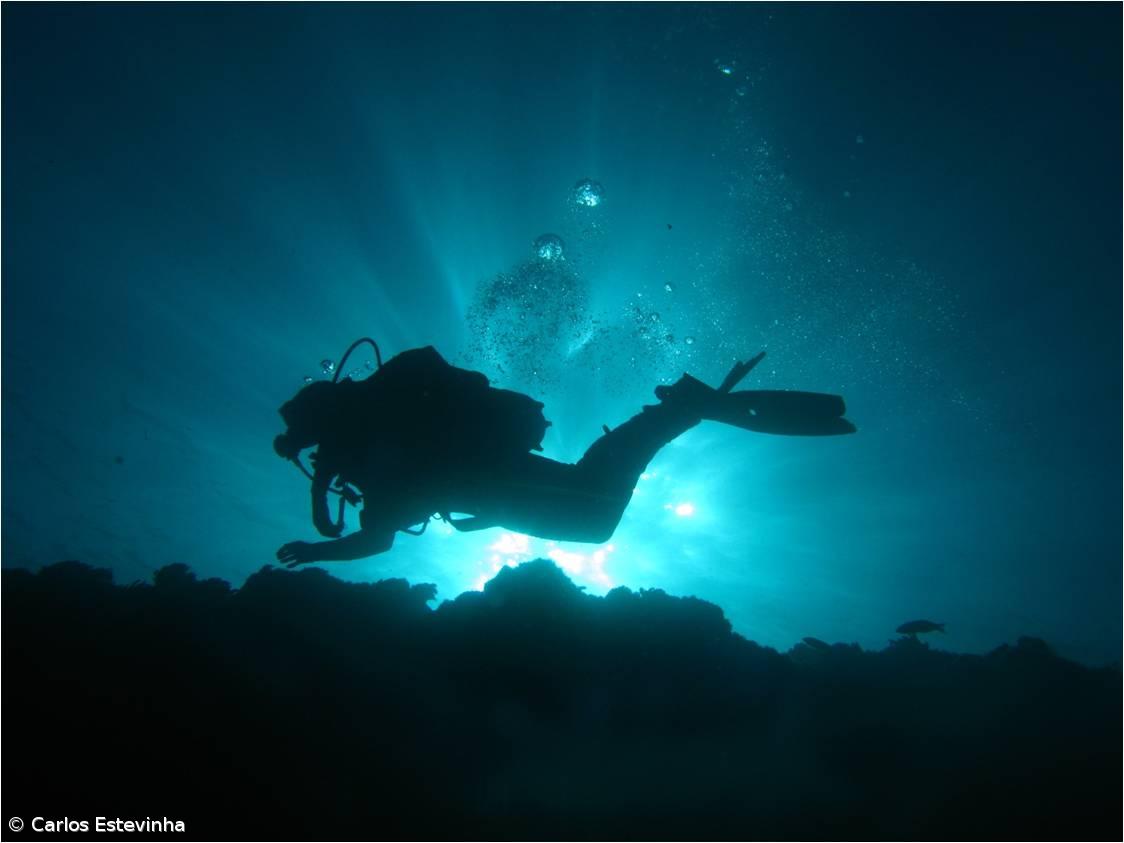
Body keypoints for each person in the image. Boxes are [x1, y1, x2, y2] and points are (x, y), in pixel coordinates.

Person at [273, 345, 855, 567]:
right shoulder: (382, 452)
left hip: (498, 482)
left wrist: (318, 548)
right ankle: (677, 410)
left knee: (592, 513)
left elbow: (376, 539)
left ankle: (676, 410)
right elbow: (379, 530)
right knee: (592, 509)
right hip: (498, 484)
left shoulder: (378, 457)